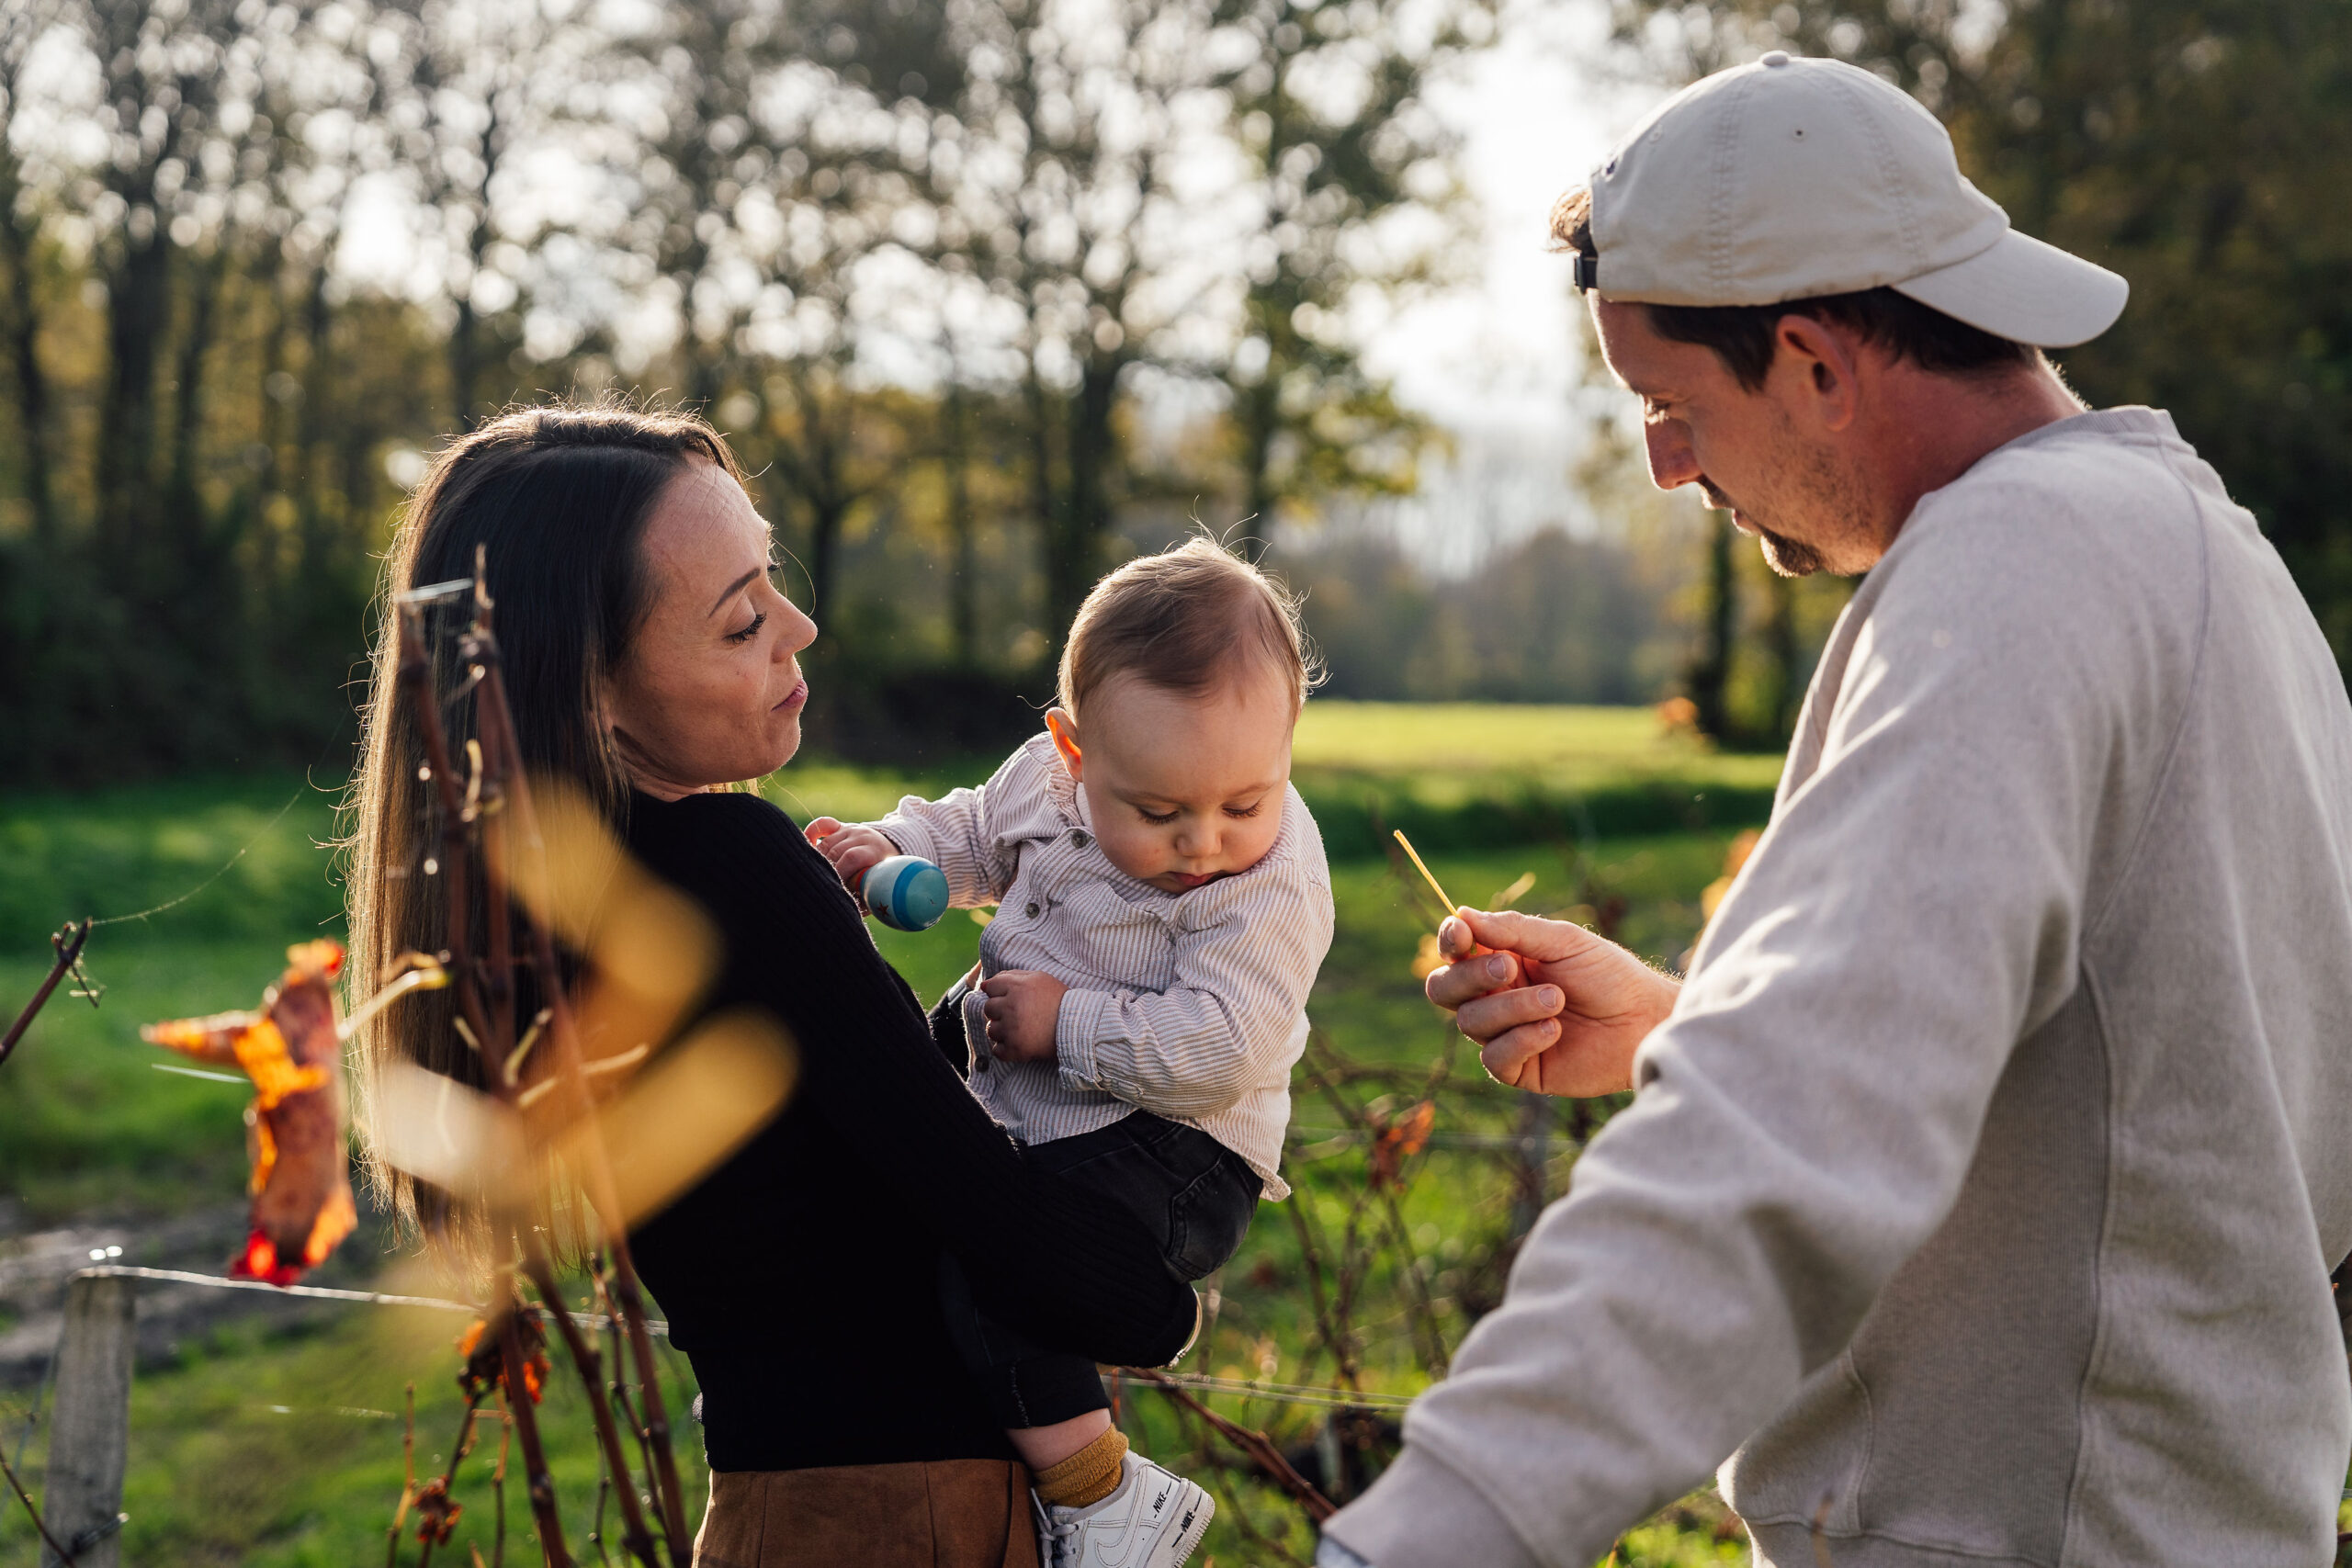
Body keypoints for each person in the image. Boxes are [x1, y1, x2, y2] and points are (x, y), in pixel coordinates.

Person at [1317, 51, 2352, 1568]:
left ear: (1811, 358)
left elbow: (1775, 1149)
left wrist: (1408, 1541)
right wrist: (1690, 1022)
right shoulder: (2208, 556)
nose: (1668, 465)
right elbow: (2194, 1097)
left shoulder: (2016, 572)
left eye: (1668, 402)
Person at [344, 403, 1201, 1568]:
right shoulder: (732, 872)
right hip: (905, 1515)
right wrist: (1166, 1301)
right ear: (590, 691)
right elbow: (988, 1217)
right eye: (742, 621)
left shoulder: (562, 900)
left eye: (774, 581)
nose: (799, 627)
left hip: (772, 1502)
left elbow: (852, 1147)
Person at [808, 539, 1335, 1568]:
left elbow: (1225, 1045)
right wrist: (891, 850)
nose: (1206, 840)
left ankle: (1101, 1497)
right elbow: (969, 835)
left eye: (1245, 800)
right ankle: (835, 1389)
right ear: (1072, 751)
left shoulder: (1265, 884)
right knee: (881, 1178)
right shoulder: (1044, 783)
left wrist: (1068, 1023)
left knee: (1004, 1261)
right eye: (1158, 811)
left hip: (1177, 1154)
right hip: (1040, 1116)